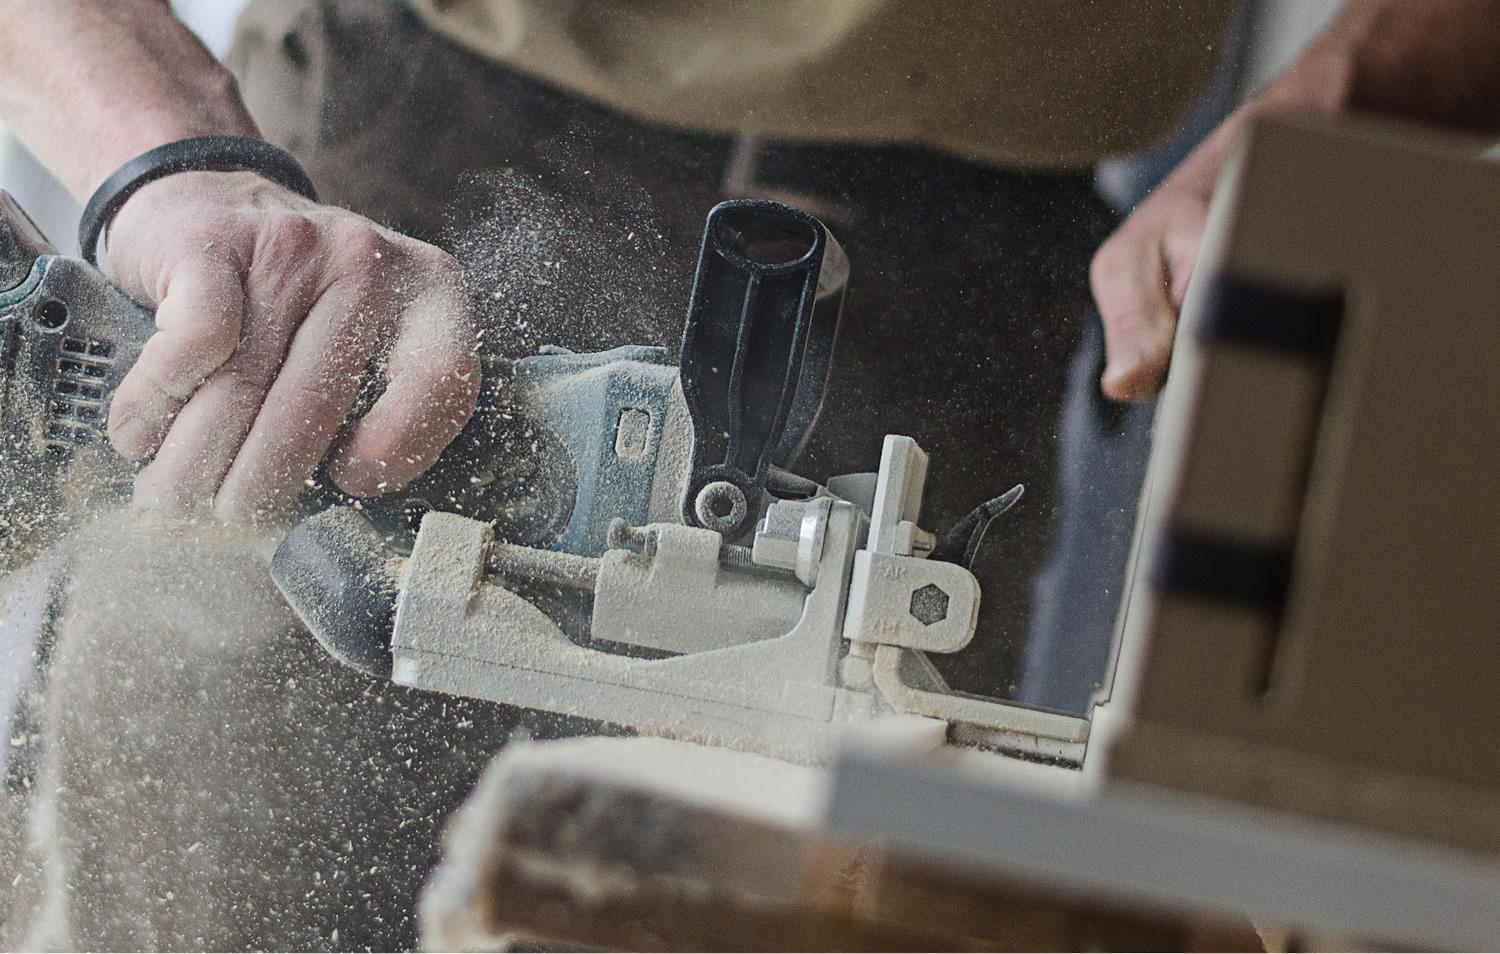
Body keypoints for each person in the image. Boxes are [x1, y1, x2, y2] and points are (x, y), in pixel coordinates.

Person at [1, 0, 1498, 948]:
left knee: (781, 912)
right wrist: (168, 161)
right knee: (204, 855)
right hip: (384, 176)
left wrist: (1357, 93)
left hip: (966, 222)